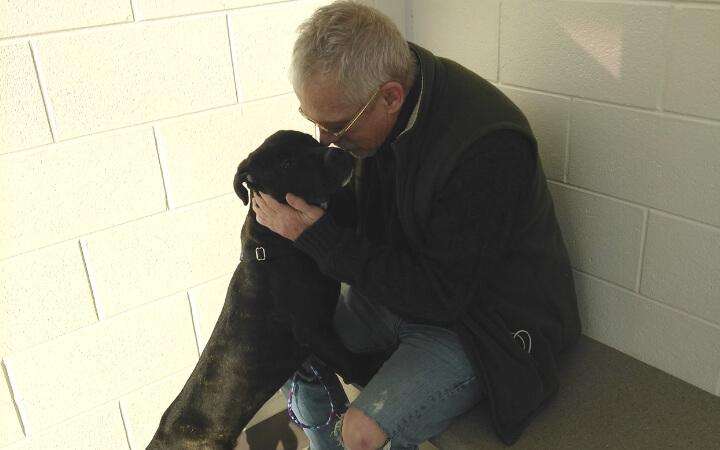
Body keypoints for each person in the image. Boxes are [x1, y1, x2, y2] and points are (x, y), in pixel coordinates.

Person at [252, 1, 581, 449]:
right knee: (290, 334)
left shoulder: (487, 148)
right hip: (414, 286)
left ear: (390, 97)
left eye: (336, 124)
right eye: (314, 122)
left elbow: (444, 297)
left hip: (487, 322)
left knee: (363, 434)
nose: (326, 141)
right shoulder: (387, 90)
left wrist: (320, 239)